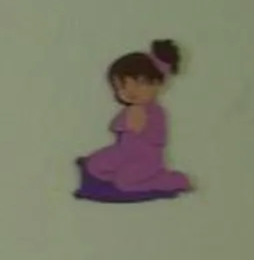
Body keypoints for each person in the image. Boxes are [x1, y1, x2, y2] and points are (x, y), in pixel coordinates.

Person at [75, 41, 193, 204]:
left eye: (139, 83)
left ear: (158, 83)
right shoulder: (132, 109)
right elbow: (118, 130)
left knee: (125, 183)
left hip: (145, 159)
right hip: (123, 152)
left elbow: (150, 138)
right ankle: (115, 173)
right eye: (122, 87)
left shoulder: (154, 112)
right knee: (94, 165)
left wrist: (136, 124)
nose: (130, 92)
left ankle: (169, 181)